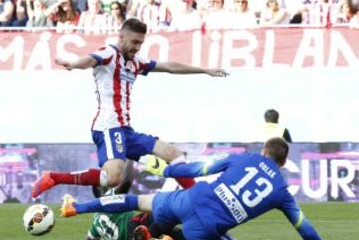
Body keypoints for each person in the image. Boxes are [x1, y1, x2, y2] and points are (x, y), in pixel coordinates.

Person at [31, 18, 228, 199]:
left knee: (174, 155)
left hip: (126, 130)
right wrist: (73, 64)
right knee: (114, 178)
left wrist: (204, 71)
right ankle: (54, 177)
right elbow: (90, 60)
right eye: (134, 42)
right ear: (122, 37)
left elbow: (170, 66)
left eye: (141, 43)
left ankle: (196, 198)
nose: (137, 47)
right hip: (108, 127)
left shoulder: (136, 62)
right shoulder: (109, 53)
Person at [60, 138, 341, 240]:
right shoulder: (281, 191)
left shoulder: (242, 158)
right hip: (205, 229)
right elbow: (303, 226)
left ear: (263, 151)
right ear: (281, 164)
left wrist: (168, 169)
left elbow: (201, 169)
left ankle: (77, 208)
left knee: (137, 201)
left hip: (189, 198)